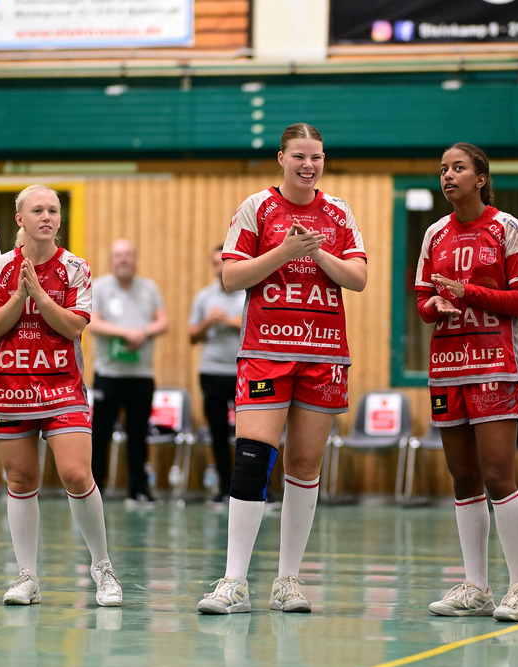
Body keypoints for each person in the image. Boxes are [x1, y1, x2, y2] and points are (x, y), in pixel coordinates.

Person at [197, 122, 367, 615]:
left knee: (304, 467)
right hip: (266, 350)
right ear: (281, 158)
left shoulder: (339, 213)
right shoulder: (257, 208)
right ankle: (234, 581)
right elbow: (231, 277)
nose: (308, 165)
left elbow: (357, 278)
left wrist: (316, 251)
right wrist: (285, 252)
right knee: (251, 459)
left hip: (323, 352)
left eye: (316, 156)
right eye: (299, 156)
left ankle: (287, 581)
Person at [414, 142, 518, 622]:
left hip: (494, 365)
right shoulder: (434, 234)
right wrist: (436, 306)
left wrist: (470, 293)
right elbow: (423, 300)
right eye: (443, 168)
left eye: (458, 168)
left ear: (481, 178)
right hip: (447, 367)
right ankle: (477, 586)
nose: (448, 175)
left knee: (496, 476)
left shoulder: (508, 229)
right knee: (463, 477)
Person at [0, 185, 122, 607]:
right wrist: (21, 295)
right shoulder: (0, 268)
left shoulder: (75, 267)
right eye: (38, 210)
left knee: (77, 475)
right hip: (11, 388)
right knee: (21, 480)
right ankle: (27, 576)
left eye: (53, 210)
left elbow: (74, 327)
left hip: (62, 385)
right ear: (20, 219)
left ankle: (103, 569)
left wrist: (39, 295)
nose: (47, 216)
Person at [88, 240, 169, 507]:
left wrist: (144, 333)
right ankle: (94, 491)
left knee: (138, 434)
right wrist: (125, 332)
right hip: (108, 374)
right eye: (118, 255)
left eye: (128, 255)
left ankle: (139, 490)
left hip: (141, 375)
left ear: (135, 259)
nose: (123, 259)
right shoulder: (99, 287)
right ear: (112, 259)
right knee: (100, 435)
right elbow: (93, 322)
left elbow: (163, 321)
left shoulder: (149, 288)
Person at [188, 244, 246, 507]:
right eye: (215, 263)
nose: (220, 268)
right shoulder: (203, 298)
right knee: (218, 433)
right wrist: (208, 323)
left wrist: (234, 323)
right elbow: (192, 336)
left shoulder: (248, 294)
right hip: (211, 372)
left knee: (249, 435)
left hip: (243, 371)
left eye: (224, 262)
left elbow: (261, 330)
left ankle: (250, 489)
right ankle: (224, 489)